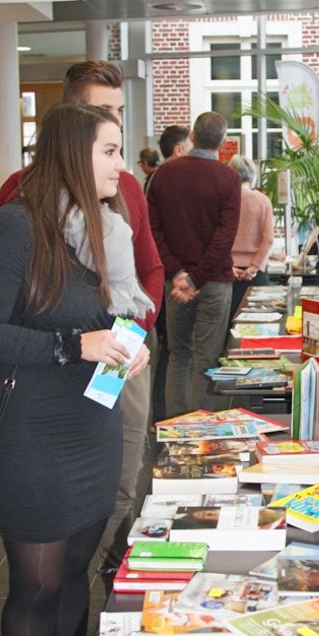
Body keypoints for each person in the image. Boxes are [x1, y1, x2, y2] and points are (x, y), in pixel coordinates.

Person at [0, 103, 152, 636]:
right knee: (37, 583)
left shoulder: (101, 233)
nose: (121, 166)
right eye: (109, 151)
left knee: (77, 567)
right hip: (30, 436)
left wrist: (124, 347)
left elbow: (114, 317)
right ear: (75, 154)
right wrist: (75, 345)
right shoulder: (16, 227)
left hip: (90, 424)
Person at [0, 60, 164, 576]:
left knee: (121, 477)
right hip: (46, 379)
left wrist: (130, 337)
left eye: (118, 113)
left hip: (119, 358)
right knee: (50, 507)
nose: (113, 124)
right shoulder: (20, 194)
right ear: (69, 118)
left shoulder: (127, 187)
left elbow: (150, 269)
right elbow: (3, 307)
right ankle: (58, 593)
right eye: (100, 113)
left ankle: (96, 579)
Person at [148, 111, 241, 416]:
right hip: (213, 282)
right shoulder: (229, 178)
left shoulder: (163, 175)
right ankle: (198, 434)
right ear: (223, 142)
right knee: (206, 358)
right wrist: (197, 279)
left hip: (175, 284)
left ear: (192, 134)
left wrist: (178, 274)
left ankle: (173, 431)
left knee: (178, 355)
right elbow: (224, 238)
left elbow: (154, 230)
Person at [150, 124, 194, 420]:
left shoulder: (158, 180)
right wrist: (181, 276)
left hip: (171, 278)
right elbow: (154, 234)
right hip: (166, 282)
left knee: (173, 352)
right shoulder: (161, 181)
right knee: (174, 352)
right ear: (178, 150)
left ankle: (167, 418)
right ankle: (168, 418)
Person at [227, 154, 274, 321]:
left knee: (228, 327)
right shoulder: (263, 201)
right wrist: (254, 267)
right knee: (256, 326)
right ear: (253, 175)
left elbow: (217, 237)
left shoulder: (225, 200)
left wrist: (229, 265)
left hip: (228, 273)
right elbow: (268, 238)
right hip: (256, 275)